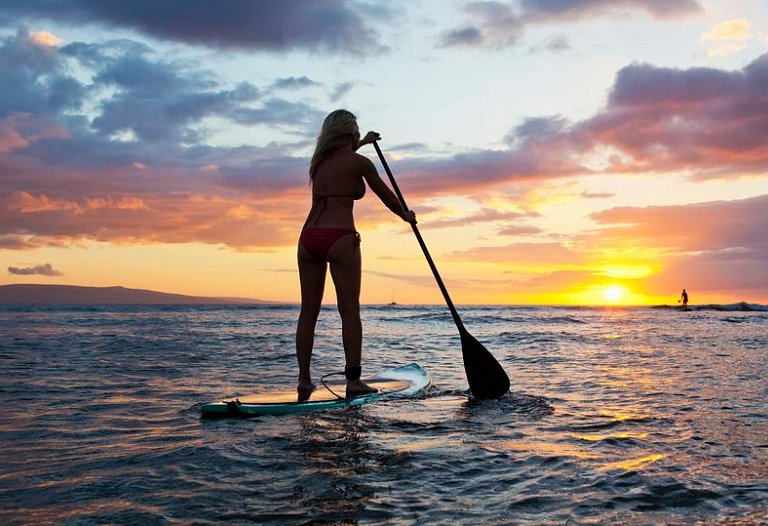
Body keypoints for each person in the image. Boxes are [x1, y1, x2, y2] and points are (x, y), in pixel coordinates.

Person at [296, 110, 416, 399]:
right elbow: (387, 196)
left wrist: (362, 141)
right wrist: (405, 215)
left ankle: (304, 380)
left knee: (308, 311)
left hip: (308, 238)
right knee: (349, 311)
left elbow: (342, 157)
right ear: (350, 133)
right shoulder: (360, 163)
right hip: (340, 238)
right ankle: (353, 381)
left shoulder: (318, 163)